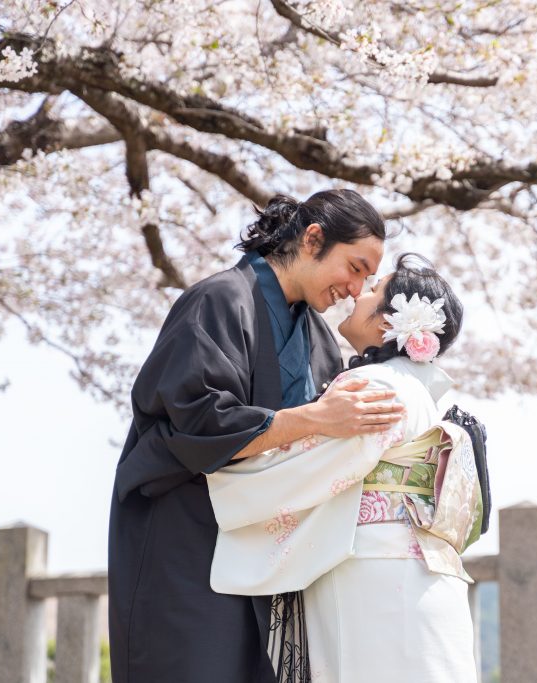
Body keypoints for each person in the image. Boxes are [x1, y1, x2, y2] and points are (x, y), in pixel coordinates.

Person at [108, 189, 406, 683]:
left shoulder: (318, 340)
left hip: (267, 553)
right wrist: (314, 419)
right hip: (187, 536)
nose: (356, 290)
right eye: (354, 267)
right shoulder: (219, 299)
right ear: (313, 239)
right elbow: (198, 419)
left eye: (367, 279)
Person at [208, 254, 482, 683]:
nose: (357, 292)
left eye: (373, 289)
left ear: (389, 321)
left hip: (372, 574)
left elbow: (304, 471)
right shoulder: (417, 391)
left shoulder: (371, 387)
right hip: (420, 573)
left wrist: (213, 466)